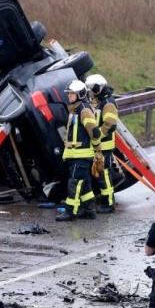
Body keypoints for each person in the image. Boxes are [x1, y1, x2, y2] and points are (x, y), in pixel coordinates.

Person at [56, 80, 99, 221]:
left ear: (80, 94)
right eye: (68, 93)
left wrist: (98, 150)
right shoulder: (76, 109)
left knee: (74, 183)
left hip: (81, 155)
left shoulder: (84, 110)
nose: (69, 96)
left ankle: (71, 212)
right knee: (85, 184)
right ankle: (89, 210)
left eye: (72, 93)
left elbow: (94, 132)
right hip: (76, 155)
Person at [85, 74, 118, 214]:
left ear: (98, 88)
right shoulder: (97, 101)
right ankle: (105, 201)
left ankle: (109, 204)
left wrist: (97, 136)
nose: (89, 92)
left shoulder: (108, 103)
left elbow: (110, 124)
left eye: (91, 89)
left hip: (104, 146)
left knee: (104, 175)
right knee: (100, 174)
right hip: (98, 145)